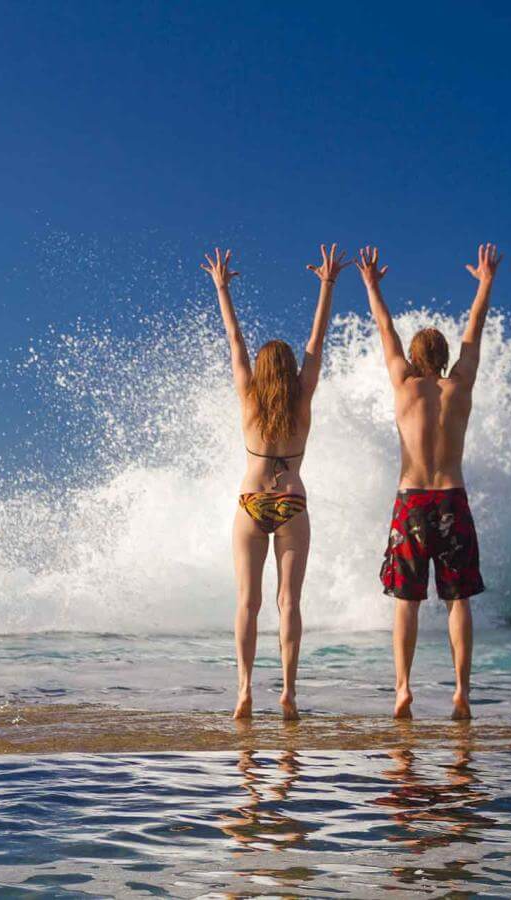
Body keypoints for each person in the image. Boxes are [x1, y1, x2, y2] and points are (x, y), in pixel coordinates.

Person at [202, 244, 350, 720]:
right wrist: (327, 285)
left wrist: (222, 287)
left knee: (248, 603)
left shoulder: (248, 397)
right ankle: (288, 691)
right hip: (293, 502)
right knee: (290, 602)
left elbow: (234, 339)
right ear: (289, 372)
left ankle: (244, 690)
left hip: (250, 502)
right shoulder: (302, 398)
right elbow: (317, 340)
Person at [356, 243, 502, 720]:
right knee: (458, 602)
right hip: (451, 500)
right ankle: (461, 692)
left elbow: (384, 329)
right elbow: (474, 333)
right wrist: (484, 284)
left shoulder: (404, 384)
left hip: (411, 501)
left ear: (416, 358)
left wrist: (373, 285)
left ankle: (402, 689)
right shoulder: (459, 385)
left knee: (407, 602)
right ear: (443, 358)